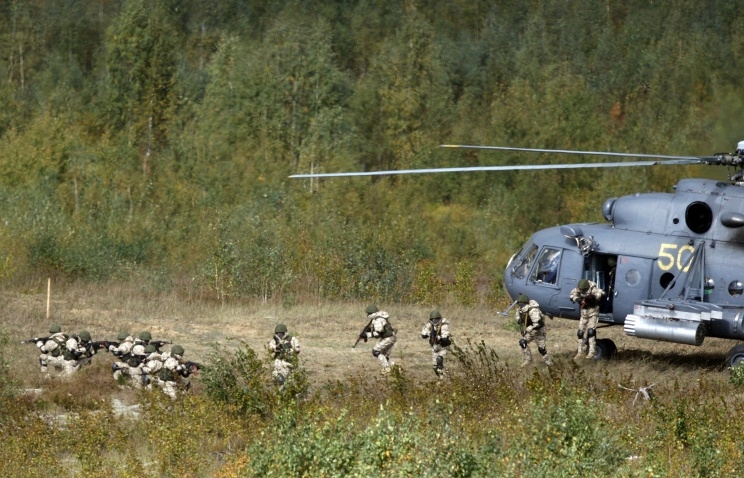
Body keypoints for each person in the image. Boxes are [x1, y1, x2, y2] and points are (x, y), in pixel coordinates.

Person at [569, 278, 606, 359]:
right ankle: (580, 352)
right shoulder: (579, 289)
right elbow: (572, 295)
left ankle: (592, 351)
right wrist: (578, 299)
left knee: (591, 331)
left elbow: (601, 293)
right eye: (580, 289)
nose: (581, 291)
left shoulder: (593, 289)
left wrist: (592, 298)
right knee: (580, 333)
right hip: (584, 314)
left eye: (582, 290)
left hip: (593, 313)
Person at [515, 294, 552, 367]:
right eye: (519, 303)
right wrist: (520, 321)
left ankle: (549, 362)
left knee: (541, 349)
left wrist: (532, 327)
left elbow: (539, 324)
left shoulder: (533, 310)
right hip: (529, 331)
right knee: (523, 342)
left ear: (525, 303)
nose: (520, 305)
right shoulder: (520, 310)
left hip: (539, 331)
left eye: (521, 303)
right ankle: (528, 360)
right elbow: (519, 319)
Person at [359, 305, 397, 373]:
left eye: (368, 314)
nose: (367, 315)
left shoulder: (378, 320)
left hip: (388, 338)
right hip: (390, 337)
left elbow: (377, 334)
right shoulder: (380, 317)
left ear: (372, 313)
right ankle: (395, 368)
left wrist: (367, 335)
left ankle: (386, 368)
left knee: (376, 351)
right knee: (383, 355)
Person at [421, 310, 452, 377]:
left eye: (436, 319)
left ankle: (443, 378)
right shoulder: (430, 324)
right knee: (435, 367)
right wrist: (428, 333)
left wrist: (439, 338)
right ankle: (441, 377)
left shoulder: (444, 325)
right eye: (433, 319)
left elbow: (445, 337)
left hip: (443, 346)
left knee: (440, 361)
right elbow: (423, 334)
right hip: (435, 347)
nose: (434, 321)